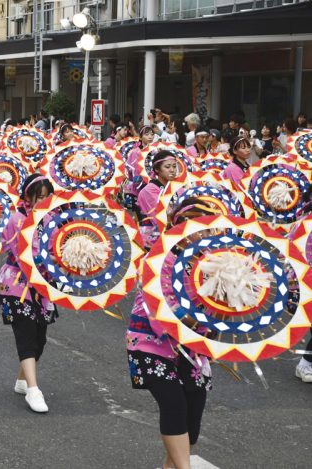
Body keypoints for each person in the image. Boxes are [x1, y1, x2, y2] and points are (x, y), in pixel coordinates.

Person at [127, 197, 218, 469]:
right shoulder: (157, 258)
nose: (203, 232)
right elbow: (162, 312)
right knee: (174, 406)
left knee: (192, 417)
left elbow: (218, 314)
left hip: (193, 350)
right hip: (151, 344)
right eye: (197, 225)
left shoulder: (214, 264)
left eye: (207, 227)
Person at [0, 174, 56, 413]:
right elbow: (23, 254)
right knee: (25, 333)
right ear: (28, 196)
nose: (43, 201)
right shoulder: (17, 219)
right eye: (39, 197)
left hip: (44, 287)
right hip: (17, 284)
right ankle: (34, 389)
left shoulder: (54, 220)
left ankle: (23, 380)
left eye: (47, 197)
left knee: (39, 338)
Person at [137, 150, 179, 247]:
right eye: (167, 167)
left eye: (174, 166)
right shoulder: (149, 191)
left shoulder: (176, 187)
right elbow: (158, 219)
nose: (172, 170)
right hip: (155, 239)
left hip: (176, 233)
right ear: (157, 169)